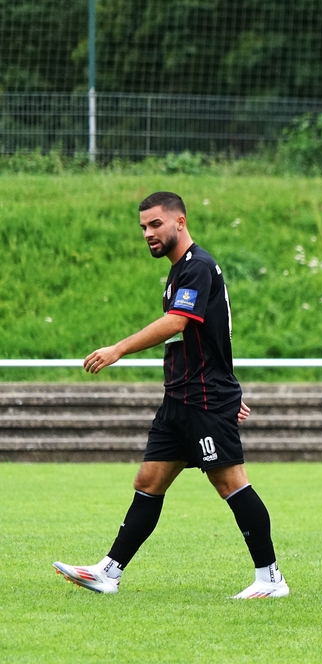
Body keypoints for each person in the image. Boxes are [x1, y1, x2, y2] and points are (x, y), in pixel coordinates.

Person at [53, 191, 287, 599]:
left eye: (156, 224)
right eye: (143, 227)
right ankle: (108, 572)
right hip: (181, 398)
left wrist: (118, 349)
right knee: (149, 480)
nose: (148, 233)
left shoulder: (198, 266)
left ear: (180, 221)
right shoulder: (180, 270)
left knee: (231, 483)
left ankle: (271, 579)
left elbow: (177, 322)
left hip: (204, 398)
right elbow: (206, 336)